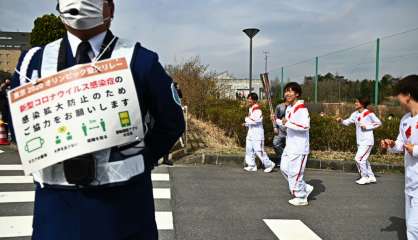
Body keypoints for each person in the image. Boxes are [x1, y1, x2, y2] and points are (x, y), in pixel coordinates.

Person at [9, 0, 185, 239]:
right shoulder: (32, 63)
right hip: (55, 217)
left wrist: (139, 157)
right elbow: (17, 125)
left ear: (110, 9)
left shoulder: (140, 60)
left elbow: (171, 121)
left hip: (123, 217)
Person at [381, 75, 418, 240]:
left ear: (408, 95)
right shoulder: (405, 120)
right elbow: (400, 144)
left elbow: (412, 148)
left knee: (413, 228)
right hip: (410, 181)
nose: (397, 99)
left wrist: (415, 149)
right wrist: (390, 145)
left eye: (399, 95)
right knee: (411, 225)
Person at [276, 82, 313, 206]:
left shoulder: (301, 109)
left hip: (299, 147)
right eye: (286, 91)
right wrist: (277, 121)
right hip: (290, 144)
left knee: (295, 172)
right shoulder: (290, 108)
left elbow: (304, 126)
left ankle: (301, 196)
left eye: (291, 91)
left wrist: (286, 123)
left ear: (297, 94)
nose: (288, 93)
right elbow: (287, 124)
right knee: (284, 168)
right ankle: (304, 187)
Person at [337, 96, 382, 185]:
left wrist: (367, 126)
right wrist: (341, 121)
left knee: (358, 158)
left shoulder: (369, 113)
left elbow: (378, 123)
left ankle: (364, 177)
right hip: (360, 141)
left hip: (367, 141)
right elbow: (348, 122)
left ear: (362, 104)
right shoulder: (355, 114)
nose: (355, 103)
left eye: (357, 102)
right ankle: (371, 177)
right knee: (364, 159)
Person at [243, 92, 275, 173]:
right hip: (251, 132)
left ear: (254, 100)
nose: (249, 100)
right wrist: (246, 123)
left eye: (250, 99)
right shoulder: (251, 108)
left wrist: (246, 119)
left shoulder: (257, 109)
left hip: (257, 133)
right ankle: (251, 165)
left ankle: (269, 164)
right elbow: (252, 121)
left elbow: (256, 121)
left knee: (258, 150)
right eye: (248, 98)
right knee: (249, 149)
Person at [271, 97, 289, 167]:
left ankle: (284, 161)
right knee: (275, 144)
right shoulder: (279, 106)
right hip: (280, 129)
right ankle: (282, 157)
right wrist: (275, 127)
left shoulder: (293, 107)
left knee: (289, 146)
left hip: (289, 130)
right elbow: (275, 117)